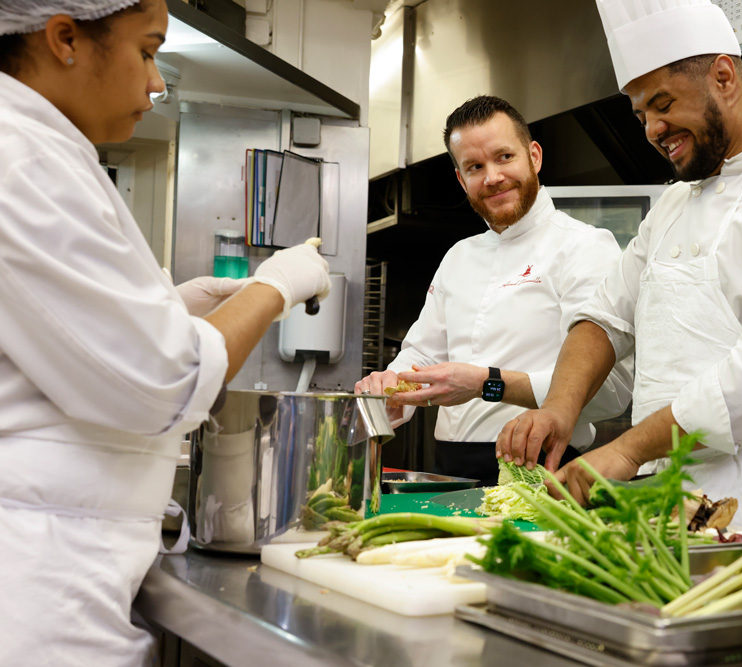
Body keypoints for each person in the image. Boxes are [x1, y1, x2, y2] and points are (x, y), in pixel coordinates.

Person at [0, 1, 331, 663]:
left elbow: (51, 340)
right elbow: (165, 382)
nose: (156, 82)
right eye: (148, 51)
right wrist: (276, 287)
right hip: (39, 583)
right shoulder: (23, 160)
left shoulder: (43, 152)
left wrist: (168, 309)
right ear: (64, 37)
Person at [497, 0, 742, 527]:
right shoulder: (673, 205)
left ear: (723, 77)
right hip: (670, 497)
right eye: (641, 114)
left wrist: (629, 450)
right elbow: (605, 316)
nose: (652, 128)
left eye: (663, 103)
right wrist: (560, 409)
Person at [356, 95, 632, 487]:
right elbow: (421, 354)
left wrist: (487, 382)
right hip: (447, 470)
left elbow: (613, 389)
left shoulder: (584, 246)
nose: (492, 177)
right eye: (475, 166)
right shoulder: (459, 256)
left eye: (504, 157)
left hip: (538, 466)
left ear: (534, 156)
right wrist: (391, 385)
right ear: (460, 179)